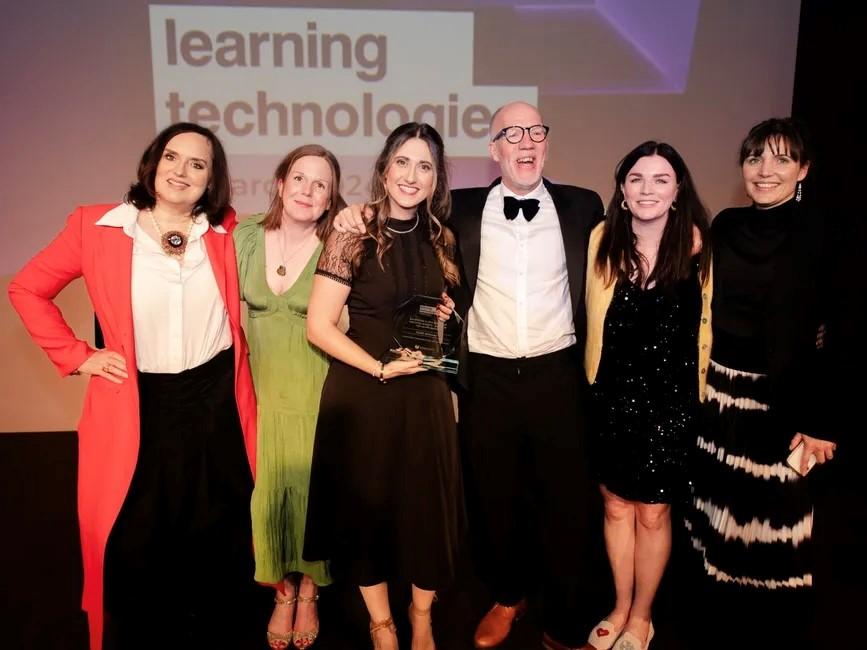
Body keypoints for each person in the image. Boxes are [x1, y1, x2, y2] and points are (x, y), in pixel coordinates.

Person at [334, 101, 603, 650]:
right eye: (512, 133)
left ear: (545, 142)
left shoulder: (584, 205)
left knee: (566, 501)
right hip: (489, 379)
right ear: (494, 149)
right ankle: (507, 596)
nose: (525, 142)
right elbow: (401, 213)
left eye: (535, 132)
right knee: (494, 499)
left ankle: (565, 613)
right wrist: (351, 214)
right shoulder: (461, 210)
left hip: (558, 374)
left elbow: (633, 243)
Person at [7, 123, 258, 650]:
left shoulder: (227, 228)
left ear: (213, 180)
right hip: (139, 403)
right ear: (152, 163)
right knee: (138, 537)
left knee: (219, 534)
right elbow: (27, 288)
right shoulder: (95, 227)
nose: (182, 171)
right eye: (173, 157)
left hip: (215, 402)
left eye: (198, 164)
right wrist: (79, 356)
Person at [302, 122, 462, 650]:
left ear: (437, 179)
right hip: (365, 392)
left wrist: (447, 317)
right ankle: (381, 623)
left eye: (425, 166)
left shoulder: (444, 238)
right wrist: (377, 367)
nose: (411, 176)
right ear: (384, 168)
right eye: (403, 162)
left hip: (426, 398)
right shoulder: (353, 230)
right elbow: (318, 326)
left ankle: (420, 616)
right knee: (367, 514)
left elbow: (446, 326)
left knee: (425, 516)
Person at [683, 118, 837, 647]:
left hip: (784, 405)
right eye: (754, 159)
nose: (765, 171)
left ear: (804, 170)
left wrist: (820, 421)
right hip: (721, 394)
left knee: (773, 523)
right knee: (718, 513)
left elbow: (837, 331)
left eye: (780, 159)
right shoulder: (725, 225)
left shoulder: (822, 233)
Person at [583, 141, 711, 650]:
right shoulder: (601, 240)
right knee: (615, 507)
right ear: (621, 189)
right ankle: (618, 604)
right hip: (610, 398)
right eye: (636, 178)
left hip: (671, 407)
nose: (647, 189)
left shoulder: (702, 249)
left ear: (678, 190)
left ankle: (641, 616)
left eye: (661, 179)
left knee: (654, 512)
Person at [234, 144, 346, 649]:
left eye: (320, 184)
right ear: (280, 183)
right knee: (265, 497)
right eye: (299, 178)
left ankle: (307, 592)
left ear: (330, 200)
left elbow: (349, 324)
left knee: (308, 497)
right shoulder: (246, 238)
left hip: (316, 392)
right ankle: (280, 589)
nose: (307, 190)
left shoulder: (338, 247)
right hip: (257, 391)